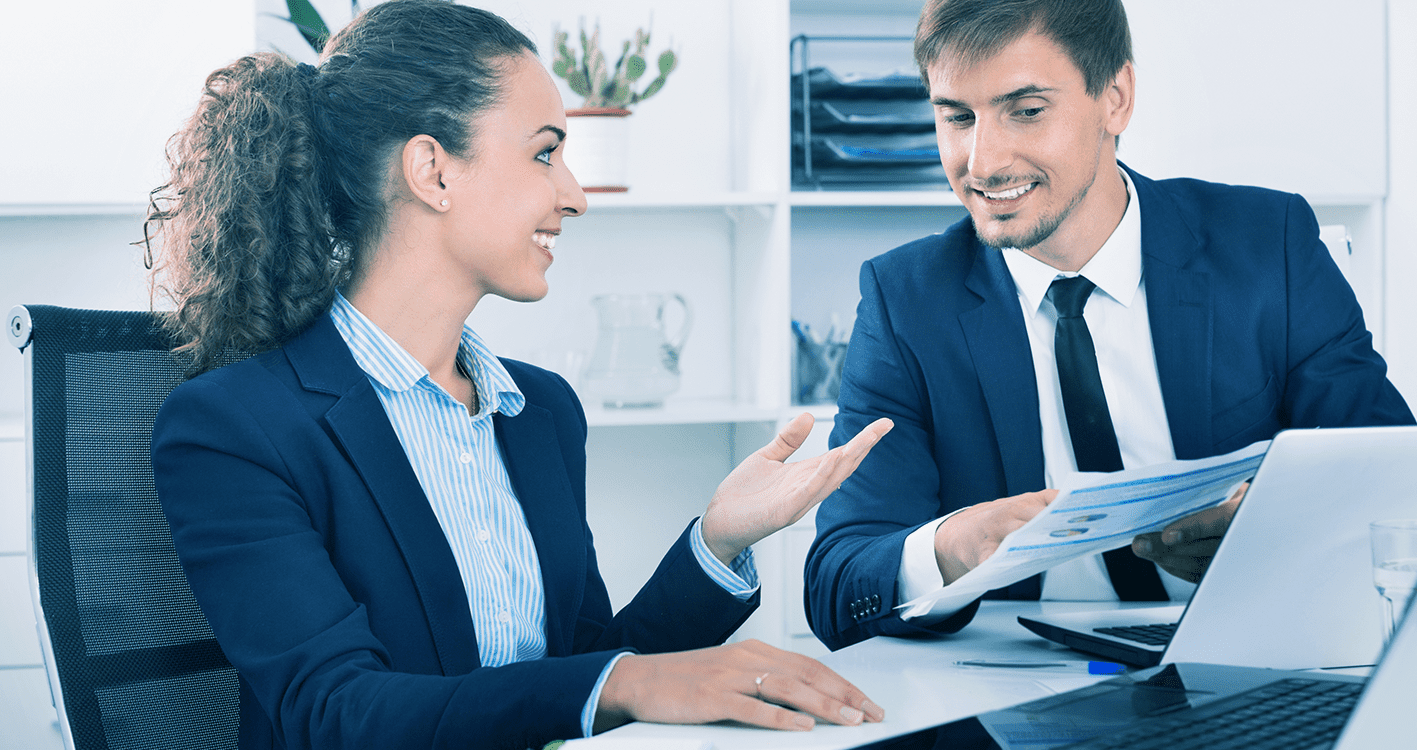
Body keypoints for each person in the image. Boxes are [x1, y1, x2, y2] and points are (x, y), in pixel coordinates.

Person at [144, 2, 893, 748]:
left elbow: (581, 669)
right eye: (545, 153)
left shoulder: (541, 411)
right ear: (433, 170)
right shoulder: (234, 428)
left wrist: (718, 542)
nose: (574, 195)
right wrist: (626, 684)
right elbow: (339, 713)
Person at [804, 0, 1414, 651]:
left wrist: (1275, 531)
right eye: (957, 117)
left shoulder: (1270, 246)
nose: (981, 163)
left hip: (1249, 659)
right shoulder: (906, 300)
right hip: (1009, 692)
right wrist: (955, 547)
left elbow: (1395, 486)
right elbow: (837, 581)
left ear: (1115, 99)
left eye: (1027, 111)